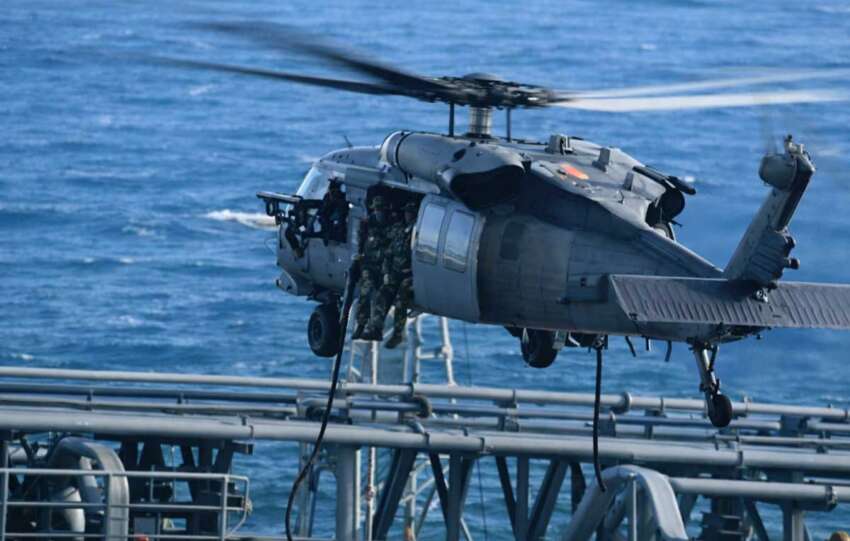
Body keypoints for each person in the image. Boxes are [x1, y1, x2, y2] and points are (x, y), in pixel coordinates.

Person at [353, 196, 390, 340]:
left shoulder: (390, 225)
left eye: (381, 209)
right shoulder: (366, 223)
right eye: (377, 209)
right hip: (369, 264)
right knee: (365, 292)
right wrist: (360, 259)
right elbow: (361, 242)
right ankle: (361, 324)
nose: (378, 212)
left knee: (381, 297)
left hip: (384, 266)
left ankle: (376, 329)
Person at [383, 201, 417, 348]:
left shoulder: (416, 232)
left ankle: (398, 334)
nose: (407, 215)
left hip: (412, 275)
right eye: (406, 212)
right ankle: (374, 326)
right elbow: (390, 252)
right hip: (397, 272)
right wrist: (387, 272)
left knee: (401, 298)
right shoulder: (401, 231)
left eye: (410, 212)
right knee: (383, 292)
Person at [317, 180, 348, 245]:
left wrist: (349, 207)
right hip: (329, 215)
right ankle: (326, 235)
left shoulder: (341, 196)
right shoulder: (327, 196)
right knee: (324, 220)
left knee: (340, 220)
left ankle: (339, 236)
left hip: (338, 214)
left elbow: (347, 205)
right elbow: (324, 206)